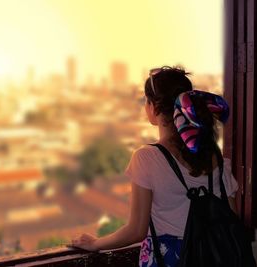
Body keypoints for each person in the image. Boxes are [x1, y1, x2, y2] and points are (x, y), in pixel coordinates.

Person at [70, 66, 239, 267]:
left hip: (170, 259)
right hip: (214, 256)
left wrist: (96, 243)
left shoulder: (147, 158)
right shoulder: (213, 154)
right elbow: (232, 215)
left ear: (153, 106)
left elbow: (136, 230)